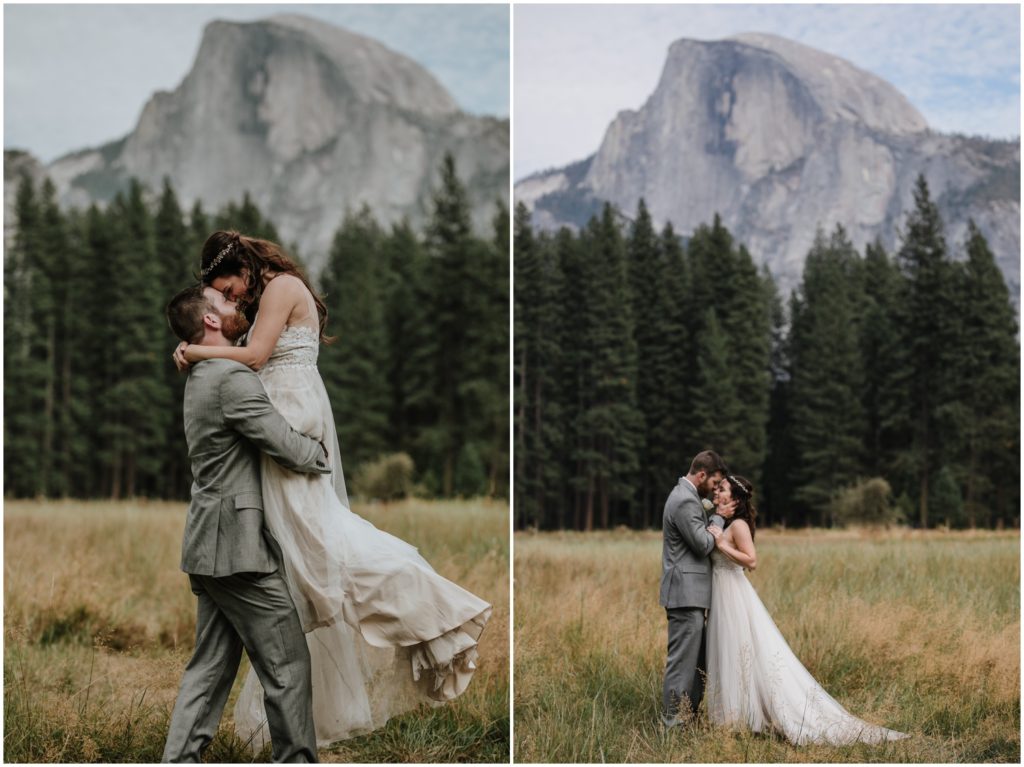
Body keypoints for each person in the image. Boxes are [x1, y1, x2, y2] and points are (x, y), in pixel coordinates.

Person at [173, 230, 492, 748]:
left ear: (242, 266)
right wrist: (198, 347)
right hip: (273, 412)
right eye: (222, 296)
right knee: (305, 541)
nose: (230, 298)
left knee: (321, 536)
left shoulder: (278, 289)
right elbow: (243, 353)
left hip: (289, 409)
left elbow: (253, 357)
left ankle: (432, 611)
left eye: (226, 287)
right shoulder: (258, 303)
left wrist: (195, 351)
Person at [162, 284, 332, 763]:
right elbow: (282, 442)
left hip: (208, 544)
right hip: (237, 550)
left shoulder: (203, 372)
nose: (240, 307)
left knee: (211, 668)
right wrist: (322, 455)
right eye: (229, 303)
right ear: (212, 320)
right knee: (288, 663)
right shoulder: (229, 380)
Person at [705, 475, 908, 745]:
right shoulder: (724, 522)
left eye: (722, 489)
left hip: (733, 593)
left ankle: (744, 718)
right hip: (722, 593)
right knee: (729, 650)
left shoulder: (739, 525)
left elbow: (751, 560)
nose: (716, 492)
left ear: (736, 499)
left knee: (739, 649)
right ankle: (736, 717)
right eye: (717, 488)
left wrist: (720, 545)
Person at [659, 449, 727, 727]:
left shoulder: (689, 497)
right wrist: (719, 518)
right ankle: (673, 722)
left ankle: (690, 715)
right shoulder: (685, 500)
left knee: (697, 663)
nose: (714, 491)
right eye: (713, 484)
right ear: (702, 475)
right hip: (685, 595)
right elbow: (702, 544)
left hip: (692, 595)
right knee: (682, 663)